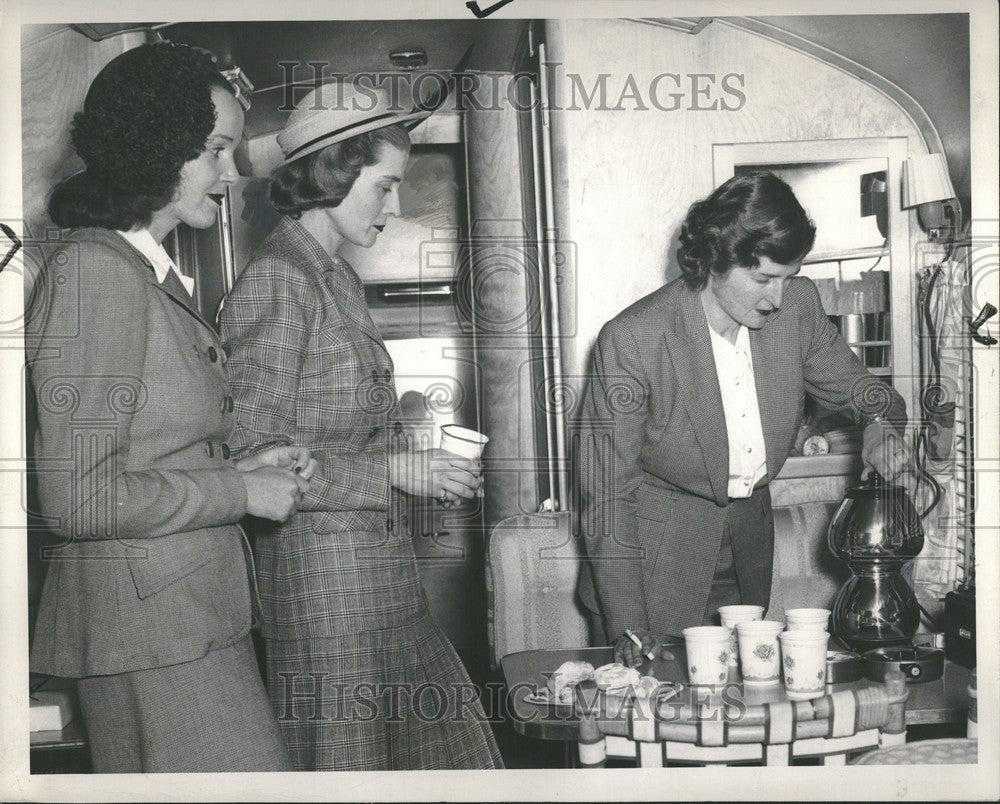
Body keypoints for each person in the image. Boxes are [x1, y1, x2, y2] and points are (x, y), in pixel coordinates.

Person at [28, 42, 316, 772]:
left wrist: (242, 466)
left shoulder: (142, 270)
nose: (232, 171)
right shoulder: (97, 274)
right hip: (149, 629)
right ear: (158, 146)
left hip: (177, 618)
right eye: (216, 149)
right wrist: (238, 489)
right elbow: (78, 498)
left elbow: (144, 452)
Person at [219, 82, 504, 771]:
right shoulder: (276, 281)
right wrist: (394, 470)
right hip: (325, 602)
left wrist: (421, 462)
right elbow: (253, 457)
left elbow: (343, 424)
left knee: (459, 763)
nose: (396, 206)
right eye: (384, 186)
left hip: (381, 587)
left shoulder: (332, 276)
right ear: (333, 173)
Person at [575, 172, 911, 668]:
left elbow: (868, 394)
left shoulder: (795, 310)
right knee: (651, 718)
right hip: (652, 561)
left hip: (748, 548)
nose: (777, 296)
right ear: (715, 260)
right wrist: (630, 624)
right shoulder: (633, 340)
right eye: (763, 279)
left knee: (746, 709)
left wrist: (879, 424)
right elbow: (607, 498)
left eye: (788, 276)